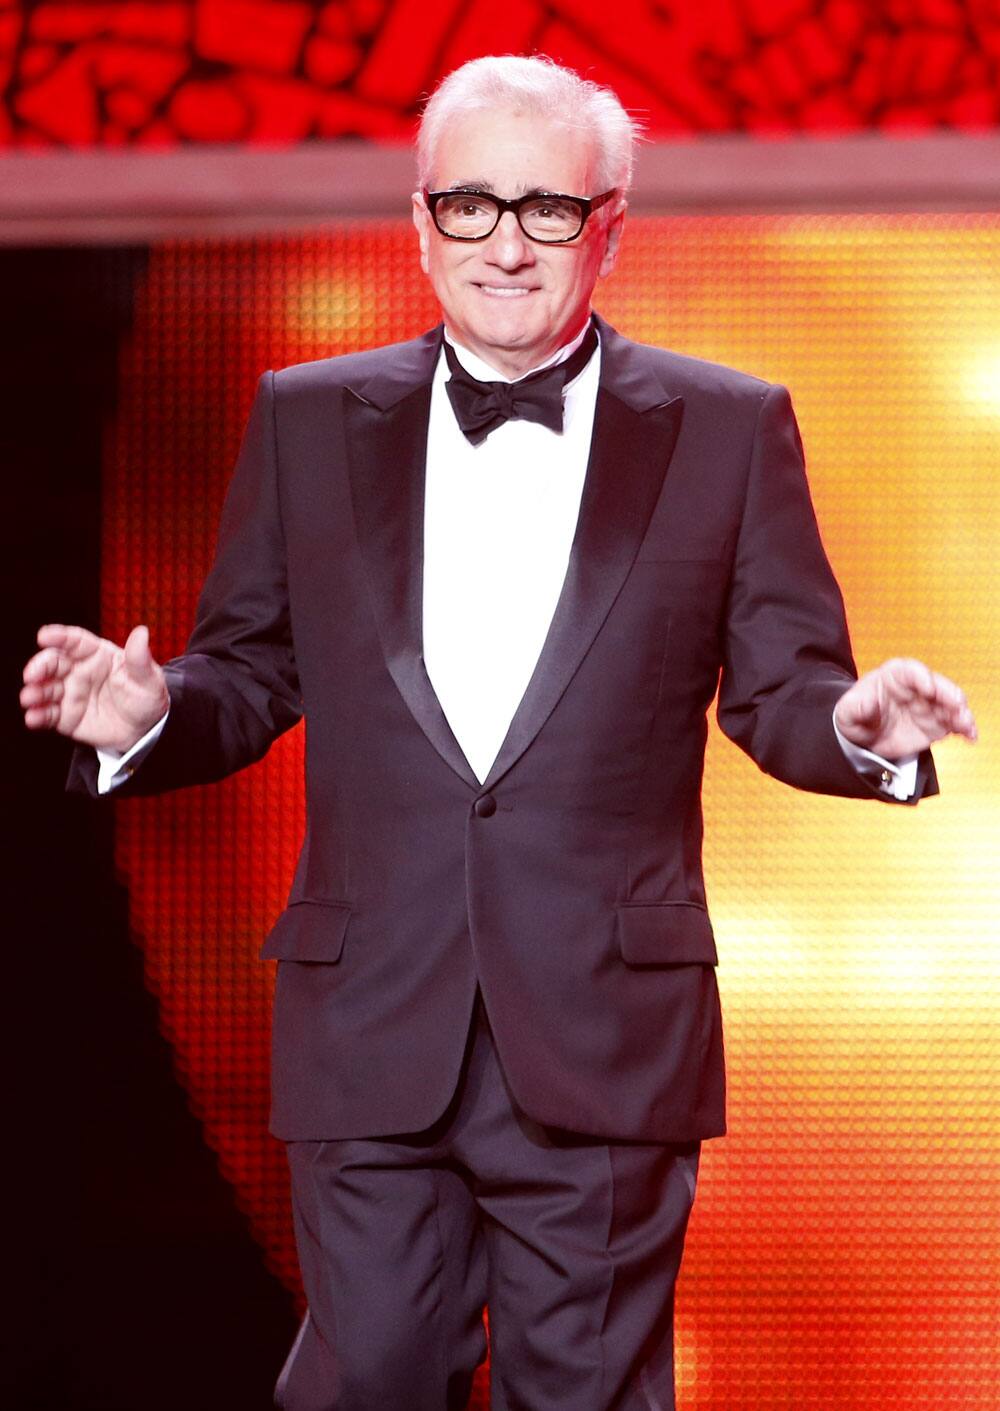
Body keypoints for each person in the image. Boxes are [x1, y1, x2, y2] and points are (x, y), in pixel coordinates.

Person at [21, 54, 976, 1411]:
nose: (507, 244)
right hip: (368, 1012)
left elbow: (783, 697)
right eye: (470, 206)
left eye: (547, 208)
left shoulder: (727, 425)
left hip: (604, 1026)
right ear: (421, 223)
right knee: (372, 1378)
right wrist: (158, 710)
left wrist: (858, 725)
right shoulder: (307, 418)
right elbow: (251, 671)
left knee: (580, 1391)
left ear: (610, 226)